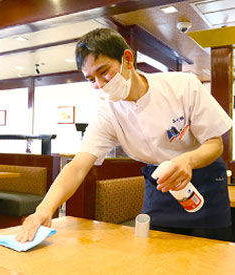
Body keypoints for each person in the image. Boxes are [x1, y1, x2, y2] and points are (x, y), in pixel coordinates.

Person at [16, 28, 232, 242]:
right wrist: (43, 210)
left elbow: (215, 144)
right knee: (158, 255)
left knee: (210, 255)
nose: (100, 84)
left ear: (127, 59)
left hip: (205, 180)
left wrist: (187, 160)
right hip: (160, 185)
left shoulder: (181, 86)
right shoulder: (108, 113)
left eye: (104, 72)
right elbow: (78, 166)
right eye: (91, 79)